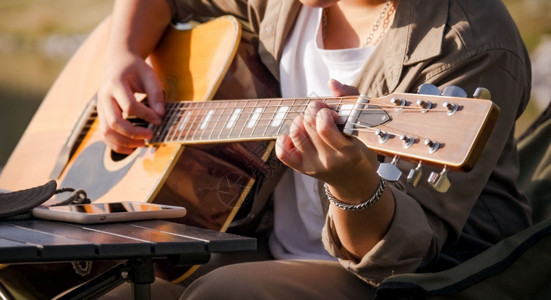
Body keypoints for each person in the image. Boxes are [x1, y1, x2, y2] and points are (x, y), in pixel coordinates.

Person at [97, 0, 533, 298]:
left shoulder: (469, 43)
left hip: (415, 278)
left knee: (224, 294)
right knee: (105, 285)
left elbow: (398, 256)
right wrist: (122, 54)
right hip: (265, 241)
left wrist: (352, 184)